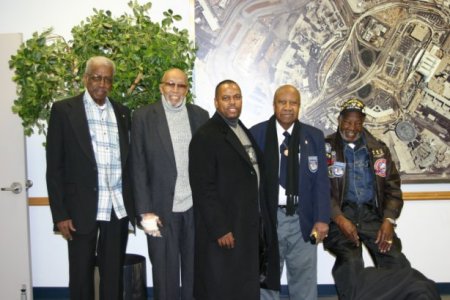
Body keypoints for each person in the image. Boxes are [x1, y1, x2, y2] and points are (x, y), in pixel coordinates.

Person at [46, 56, 135, 300]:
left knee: (112, 274)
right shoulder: (64, 110)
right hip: (79, 209)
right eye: (96, 77)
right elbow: (54, 167)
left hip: (116, 207)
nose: (102, 84)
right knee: (80, 274)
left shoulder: (123, 113)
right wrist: (60, 214)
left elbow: (128, 165)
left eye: (107, 79)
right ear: (86, 78)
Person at [188, 80, 278, 300]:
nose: (232, 102)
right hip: (225, 229)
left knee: (242, 284)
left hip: (245, 225)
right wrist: (220, 228)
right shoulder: (206, 136)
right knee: (222, 286)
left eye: (236, 97)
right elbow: (203, 187)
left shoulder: (240, 129)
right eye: (226, 98)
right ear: (216, 102)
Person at [130, 68, 209, 300]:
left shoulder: (200, 116)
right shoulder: (143, 117)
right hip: (160, 211)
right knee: (165, 277)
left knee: (195, 274)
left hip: (194, 210)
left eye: (181, 85)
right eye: (171, 84)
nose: (175, 90)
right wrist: (145, 212)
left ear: (187, 89)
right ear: (161, 87)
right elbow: (138, 165)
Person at [323, 98, 410, 299]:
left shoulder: (378, 150)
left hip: (373, 216)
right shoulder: (325, 148)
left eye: (357, 123)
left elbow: (393, 189)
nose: (352, 128)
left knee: (395, 259)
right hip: (341, 216)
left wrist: (388, 220)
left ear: (363, 123)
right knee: (351, 263)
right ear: (339, 120)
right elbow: (319, 190)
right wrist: (339, 218)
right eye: (348, 122)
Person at [250, 84, 331, 300]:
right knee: (267, 280)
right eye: (282, 102)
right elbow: (247, 182)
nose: (287, 107)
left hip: (302, 220)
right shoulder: (256, 134)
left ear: (299, 106)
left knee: (304, 281)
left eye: (293, 103)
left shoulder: (313, 136)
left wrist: (322, 219)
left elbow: (321, 181)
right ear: (274, 105)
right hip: (269, 220)